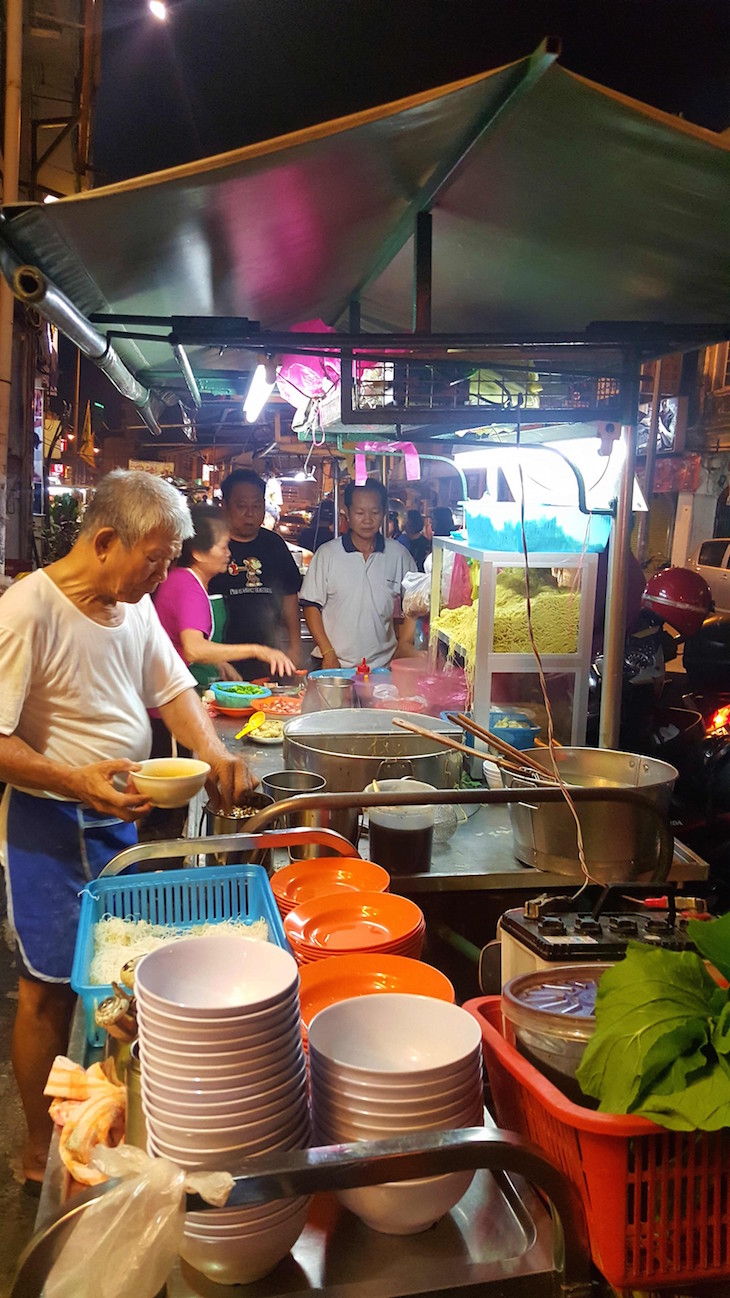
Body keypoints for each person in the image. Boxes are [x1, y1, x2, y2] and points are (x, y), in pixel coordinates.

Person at [0, 470, 256, 1187]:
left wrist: (214, 753)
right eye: (157, 557)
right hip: (49, 824)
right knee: (47, 986)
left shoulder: (133, 606)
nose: (166, 573)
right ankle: (35, 1152)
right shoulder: (28, 610)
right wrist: (74, 778)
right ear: (106, 541)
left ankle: (102, 1121)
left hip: (121, 817)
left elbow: (171, 688)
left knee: (122, 977)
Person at [300, 479, 416, 669]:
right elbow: (311, 606)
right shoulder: (328, 553)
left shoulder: (399, 555)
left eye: (375, 512)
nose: (368, 520)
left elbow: (415, 603)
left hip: (382, 668)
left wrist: (404, 644)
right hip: (333, 664)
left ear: (384, 512)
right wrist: (328, 652)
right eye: (360, 513)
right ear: (347, 512)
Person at [209, 469, 302, 679]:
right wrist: (213, 658)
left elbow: (289, 596)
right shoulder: (212, 547)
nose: (250, 513)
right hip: (221, 659)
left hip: (270, 656)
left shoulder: (274, 545)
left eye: (256, 506)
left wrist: (295, 646)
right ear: (224, 506)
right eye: (241, 506)